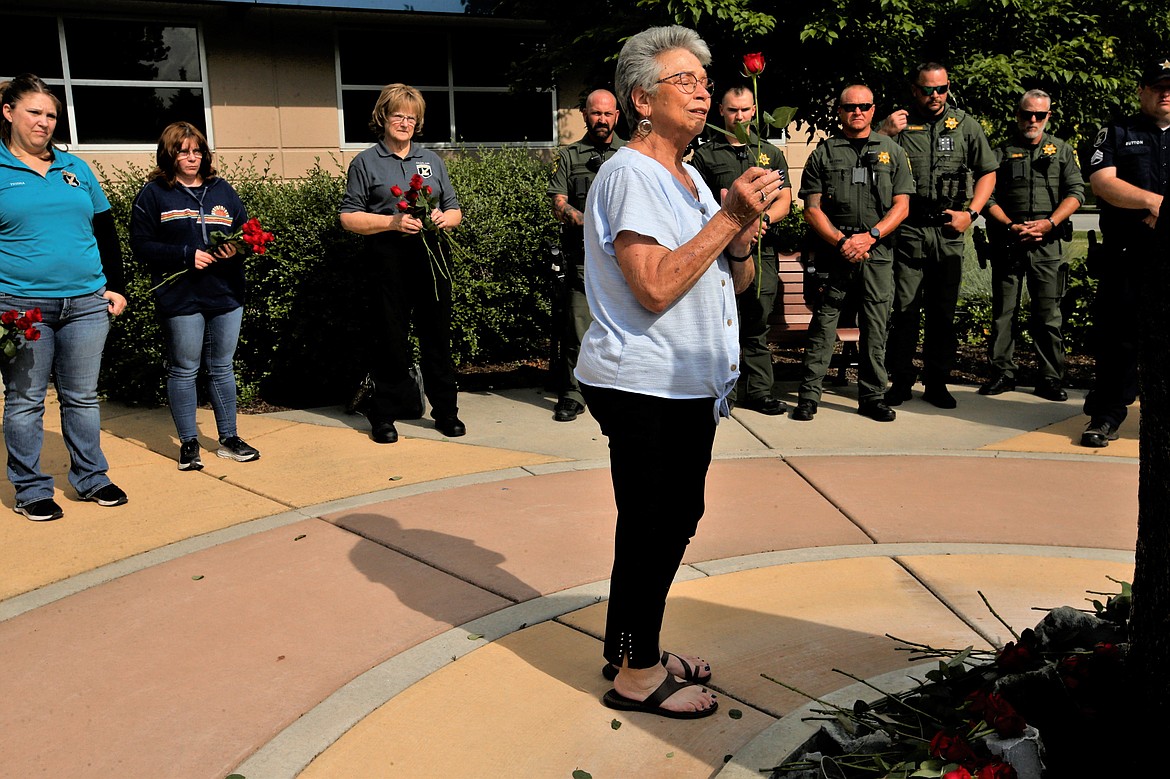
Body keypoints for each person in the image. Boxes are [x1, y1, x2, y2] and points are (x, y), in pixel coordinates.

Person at [577, 25, 782, 719]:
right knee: (656, 524)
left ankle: (632, 646)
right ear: (641, 98)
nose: (703, 89)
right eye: (684, 80)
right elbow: (655, 287)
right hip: (644, 384)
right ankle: (636, 673)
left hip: (683, 383)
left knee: (665, 519)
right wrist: (728, 219)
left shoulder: (690, 173)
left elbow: (736, 281)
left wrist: (743, 234)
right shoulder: (629, 174)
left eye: (705, 78)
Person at [0, 73, 128, 521]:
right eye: (34, 112)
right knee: (25, 400)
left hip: (87, 303)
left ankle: (92, 478)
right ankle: (32, 489)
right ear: (8, 112)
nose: (44, 122)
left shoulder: (76, 168)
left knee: (82, 397)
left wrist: (116, 285)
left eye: (51, 114)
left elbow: (105, 229)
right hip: (19, 305)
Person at [129, 122, 261, 471]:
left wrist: (237, 248)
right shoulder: (154, 194)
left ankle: (229, 438)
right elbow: (140, 245)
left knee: (222, 367)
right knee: (185, 369)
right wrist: (185, 255)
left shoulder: (222, 190)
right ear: (169, 155)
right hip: (181, 294)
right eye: (183, 151)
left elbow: (246, 232)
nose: (192, 157)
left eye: (197, 150)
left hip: (226, 292)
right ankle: (189, 442)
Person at [340, 83, 464, 444]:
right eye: (399, 116)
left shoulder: (431, 161)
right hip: (387, 258)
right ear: (383, 117)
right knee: (389, 338)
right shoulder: (365, 162)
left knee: (437, 337)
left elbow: (455, 208)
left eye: (412, 118)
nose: (405, 123)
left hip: (431, 256)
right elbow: (348, 217)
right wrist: (391, 222)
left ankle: (446, 412)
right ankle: (384, 414)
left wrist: (445, 218)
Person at [791, 85, 913, 423]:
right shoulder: (825, 153)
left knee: (876, 327)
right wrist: (841, 242)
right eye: (849, 107)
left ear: (874, 110)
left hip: (877, 253)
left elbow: (902, 206)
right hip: (836, 252)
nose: (856, 112)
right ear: (840, 112)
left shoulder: (892, 151)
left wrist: (871, 236)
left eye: (863, 106)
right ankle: (808, 397)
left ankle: (872, 397)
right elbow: (811, 209)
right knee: (824, 325)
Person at [879, 62, 997, 409]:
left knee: (942, 313)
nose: (935, 96)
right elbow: (872, 159)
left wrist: (971, 214)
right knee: (904, 310)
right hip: (910, 229)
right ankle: (900, 380)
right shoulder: (898, 123)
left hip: (948, 230)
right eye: (928, 89)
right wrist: (885, 132)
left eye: (941, 89)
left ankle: (936, 382)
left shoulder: (964, 126)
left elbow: (988, 172)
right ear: (915, 89)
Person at [1079, 57, 1170, 447]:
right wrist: (1153, 202)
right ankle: (1108, 415)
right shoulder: (1117, 131)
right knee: (1119, 339)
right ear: (1142, 91)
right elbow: (1102, 183)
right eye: (1158, 87)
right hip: (1128, 254)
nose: (1166, 93)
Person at [691, 84, 792, 415]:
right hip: (720, 253)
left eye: (745, 109)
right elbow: (700, 206)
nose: (739, 116)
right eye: (732, 110)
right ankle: (726, 392)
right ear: (721, 110)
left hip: (760, 250)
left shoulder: (768, 152)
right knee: (722, 321)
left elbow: (785, 200)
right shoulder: (706, 155)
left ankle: (760, 391)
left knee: (757, 320)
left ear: (753, 111)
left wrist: (761, 223)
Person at [979, 90, 1084, 402]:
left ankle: (1050, 378)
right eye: (1027, 114)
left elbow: (1076, 192)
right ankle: (1002, 373)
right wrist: (1010, 225)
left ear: (1049, 116)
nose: (1033, 120)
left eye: (1040, 115)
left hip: (1047, 242)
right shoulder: (999, 152)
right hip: (1008, 240)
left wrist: (1048, 223)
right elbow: (987, 197)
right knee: (1003, 312)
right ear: (1018, 115)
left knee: (1048, 314)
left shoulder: (1062, 151)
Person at [546, 89, 624, 422]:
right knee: (577, 329)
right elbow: (558, 202)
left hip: (624, 262)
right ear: (585, 115)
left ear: (617, 116)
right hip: (582, 258)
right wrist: (582, 219)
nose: (602, 120)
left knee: (625, 331)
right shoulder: (571, 156)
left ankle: (622, 391)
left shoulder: (631, 153)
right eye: (596, 113)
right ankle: (573, 395)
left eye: (607, 114)